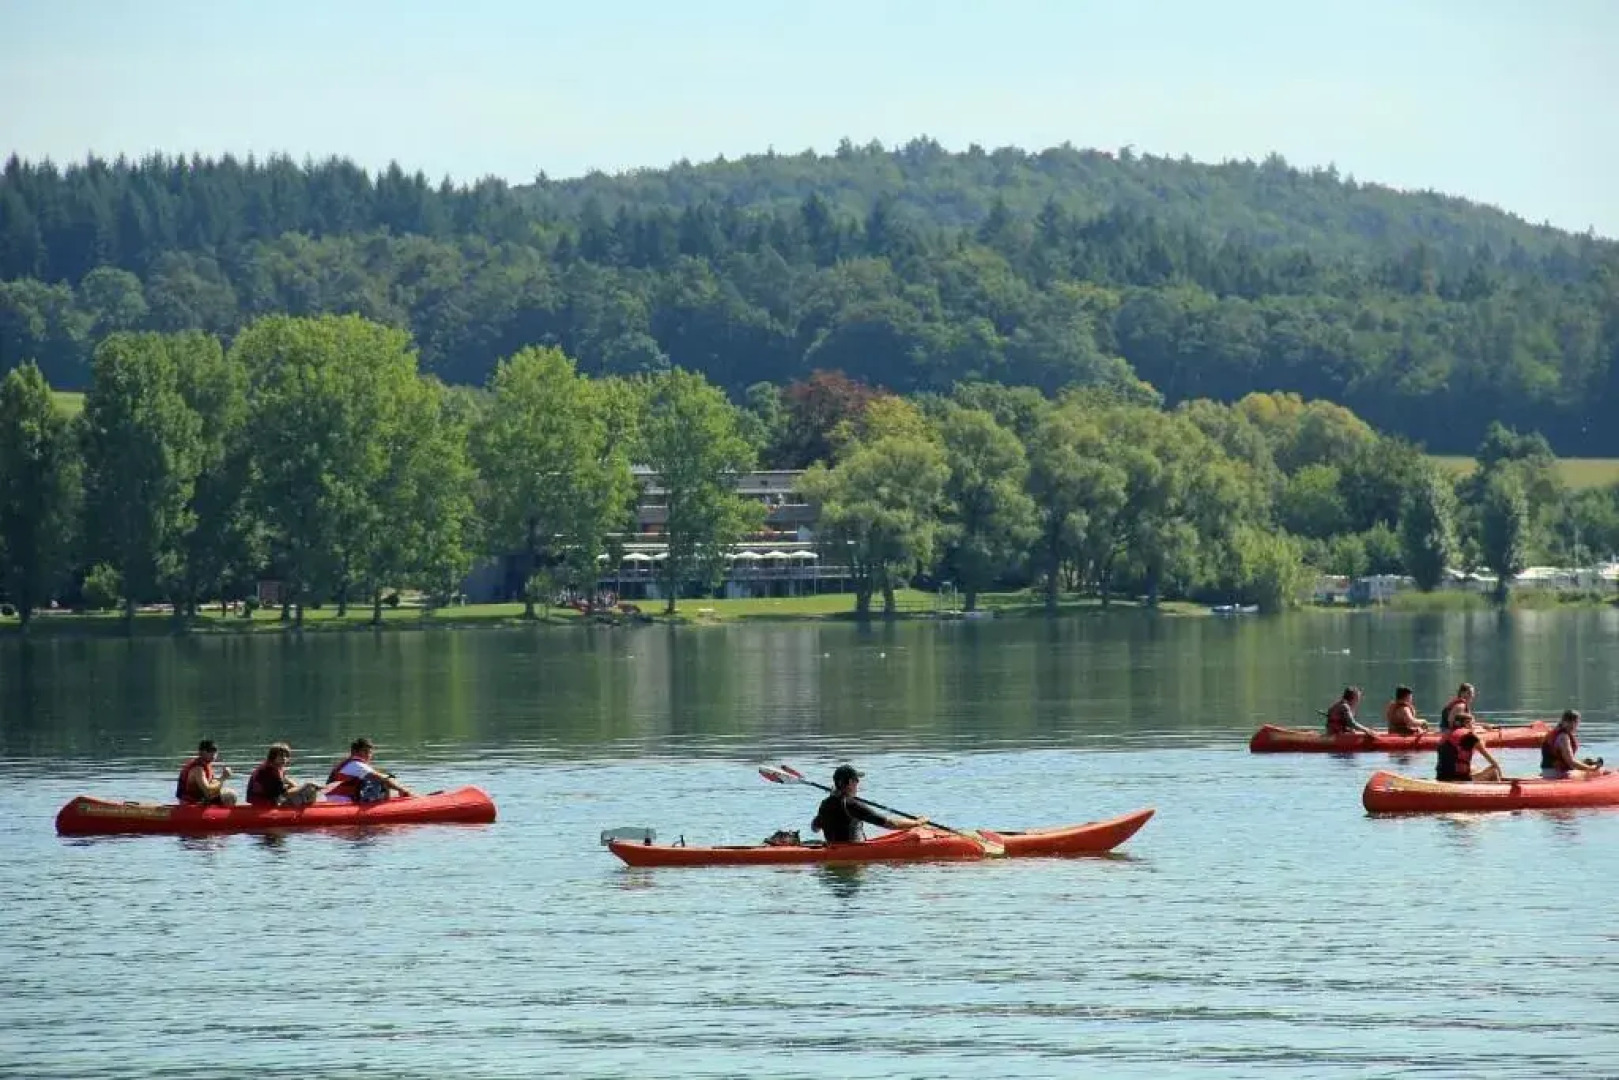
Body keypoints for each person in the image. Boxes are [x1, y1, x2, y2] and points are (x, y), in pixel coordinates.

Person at [809, 765, 927, 844]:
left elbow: (815, 828)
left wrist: (832, 798)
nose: (858, 783)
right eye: (856, 780)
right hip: (853, 854)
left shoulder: (825, 804)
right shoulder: (851, 804)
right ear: (850, 782)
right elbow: (890, 824)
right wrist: (917, 822)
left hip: (833, 848)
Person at [325, 738, 415, 803]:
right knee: (383, 779)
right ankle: (381, 804)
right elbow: (382, 779)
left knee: (382, 777)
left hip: (334, 798)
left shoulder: (349, 763)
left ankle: (382, 801)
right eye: (366, 752)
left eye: (370, 752)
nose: (369, 755)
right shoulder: (357, 765)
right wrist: (404, 791)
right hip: (341, 800)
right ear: (354, 752)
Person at [245, 742, 323, 807]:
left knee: (304, 789)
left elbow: (286, 780)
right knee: (311, 790)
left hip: (263, 802)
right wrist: (306, 785)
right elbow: (285, 794)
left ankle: (308, 809)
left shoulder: (270, 766)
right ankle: (309, 813)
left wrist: (298, 788)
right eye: (281, 756)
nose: (284, 759)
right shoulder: (270, 771)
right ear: (273, 757)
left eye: (286, 756)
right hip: (265, 805)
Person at [1435, 710, 1503, 782]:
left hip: (1441, 777)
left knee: (1474, 768)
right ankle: (1499, 788)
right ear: (1467, 724)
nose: (1473, 726)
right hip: (1459, 779)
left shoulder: (1447, 734)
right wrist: (1500, 774)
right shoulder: (1470, 736)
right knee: (1494, 770)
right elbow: (1492, 761)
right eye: (1472, 723)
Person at [1540, 710, 1604, 780]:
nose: (1572, 725)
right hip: (1557, 774)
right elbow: (1571, 762)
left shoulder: (1556, 732)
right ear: (1563, 721)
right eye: (1569, 721)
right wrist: (1591, 768)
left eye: (1575, 722)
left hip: (1548, 772)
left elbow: (1566, 760)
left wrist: (1583, 762)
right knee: (1599, 772)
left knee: (1587, 763)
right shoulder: (1563, 737)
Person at [175, 739, 238, 806]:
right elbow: (208, 792)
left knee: (229, 793)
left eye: (215, 751)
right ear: (201, 753)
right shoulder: (198, 769)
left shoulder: (207, 765)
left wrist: (220, 780)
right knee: (230, 796)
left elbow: (212, 784)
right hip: (190, 804)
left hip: (200, 799)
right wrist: (223, 778)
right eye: (209, 751)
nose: (213, 754)